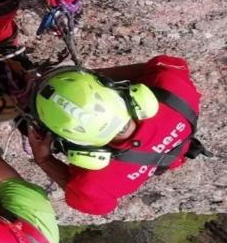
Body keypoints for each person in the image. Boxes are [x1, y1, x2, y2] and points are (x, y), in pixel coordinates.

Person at [27, 55, 207, 215]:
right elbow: (96, 205)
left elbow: (164, 65)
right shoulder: (96, 185)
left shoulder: (174, 90)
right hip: (172, 153)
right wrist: (45, 159)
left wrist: (93, 78)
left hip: (175, 143)